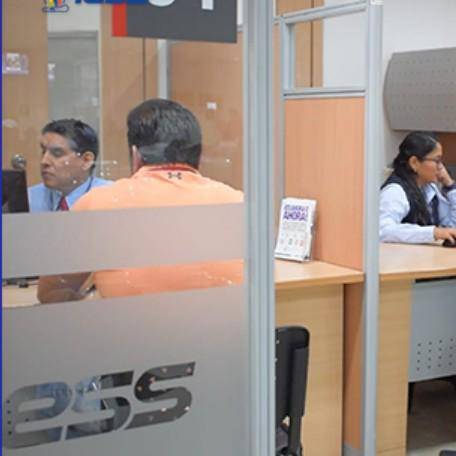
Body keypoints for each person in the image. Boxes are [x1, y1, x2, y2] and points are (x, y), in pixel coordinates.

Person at [38, 99, 243, 302]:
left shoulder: (97, 205)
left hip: (131, 323)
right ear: (199, 155)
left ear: (135, 155)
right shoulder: (238, 203)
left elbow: (51, 294)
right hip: (224, 323)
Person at [379, 131, 456, 244]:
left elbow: (450, 226)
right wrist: (433, 233)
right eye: (437, 161)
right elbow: (383, 230)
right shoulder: (395, 191)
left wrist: (450, 185)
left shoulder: (429, 189)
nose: (441, 167)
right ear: (414, 162)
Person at [28, 119, 110, 212]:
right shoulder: (28, 200)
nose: (44, 161)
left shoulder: (111, 198)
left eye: (57, 153)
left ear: (86, 160)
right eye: (43, 151)